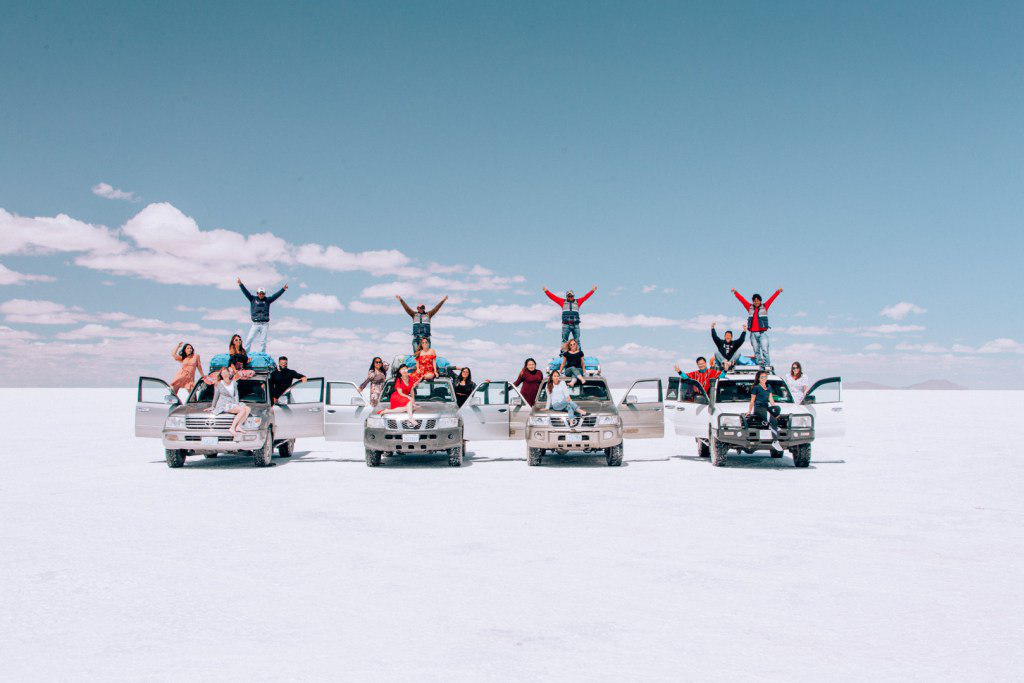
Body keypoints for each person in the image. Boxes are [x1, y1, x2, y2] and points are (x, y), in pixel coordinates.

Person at [732, 288, 782, 368]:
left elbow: (771, 299)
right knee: (756, 350)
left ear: (760, 301)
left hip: (762, 333)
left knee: (765, 349)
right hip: (753, 333)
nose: (756, 302)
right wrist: (736, 293)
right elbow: (742, 300)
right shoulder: (750, 307)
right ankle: (760, 365)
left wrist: (778, 292)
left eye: (758, 300)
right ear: (753, 302)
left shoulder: (765, 306)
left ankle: (766, 365)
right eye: (754, 301)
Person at [238, 278, 288, 353]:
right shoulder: (252, 299)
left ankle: (262, 354)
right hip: (255, 324)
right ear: (257, 293)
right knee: (249, 339)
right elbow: (246, 292)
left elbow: (276, 296)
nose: (261, 295)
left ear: (264, 294)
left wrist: (283, 289)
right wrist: (240, 284)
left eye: (263, 293)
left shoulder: (267, 300)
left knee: (263, 341)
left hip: (264, 324)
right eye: (260, 293)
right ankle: (245, 354)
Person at [205, 367, 251, 439]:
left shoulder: (234, 383)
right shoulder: (218, 384)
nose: (225, 374)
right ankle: (232, 428)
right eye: (223, 373)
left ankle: (238, 426)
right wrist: (213, 406)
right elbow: (215, 396)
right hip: (224, 404)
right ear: (221, 375)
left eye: (226, 372)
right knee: (242, 410)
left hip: (233, 403)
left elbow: (236, 394)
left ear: (229, 373)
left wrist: (236, 403)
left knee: (247, 409)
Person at [746, 369, 782, 450]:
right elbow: (752, 401)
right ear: (758, 378)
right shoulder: (756, 388)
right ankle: (775, 441)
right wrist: (749, 411)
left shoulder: (768, 386)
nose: (764, 378)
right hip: (759, 408)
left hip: (766, 407)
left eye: (765, 377)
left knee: (777, 408)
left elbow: (771, 399)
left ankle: (772, 426)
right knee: (774, 421)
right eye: (762, 377)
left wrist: (774, 410)